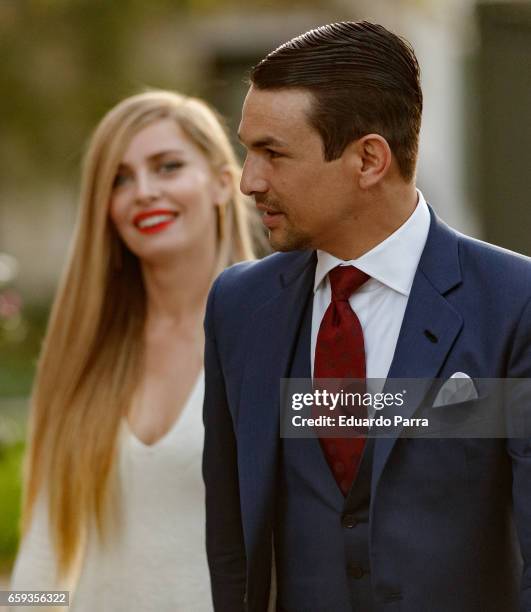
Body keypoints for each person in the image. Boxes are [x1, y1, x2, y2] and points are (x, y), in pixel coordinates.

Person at [202, 21, 531, 612]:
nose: (249, 181)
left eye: (273, 153)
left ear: (369, 159)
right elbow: (230, 542)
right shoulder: (238, 307)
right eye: (248, 151)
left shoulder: (516, 302)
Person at [11, 90, 256, 611]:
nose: (144, 191)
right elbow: (44, 558)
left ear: (221, 181)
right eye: (120, 179)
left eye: (167, 167)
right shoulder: (85, 353)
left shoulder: (282, 334)